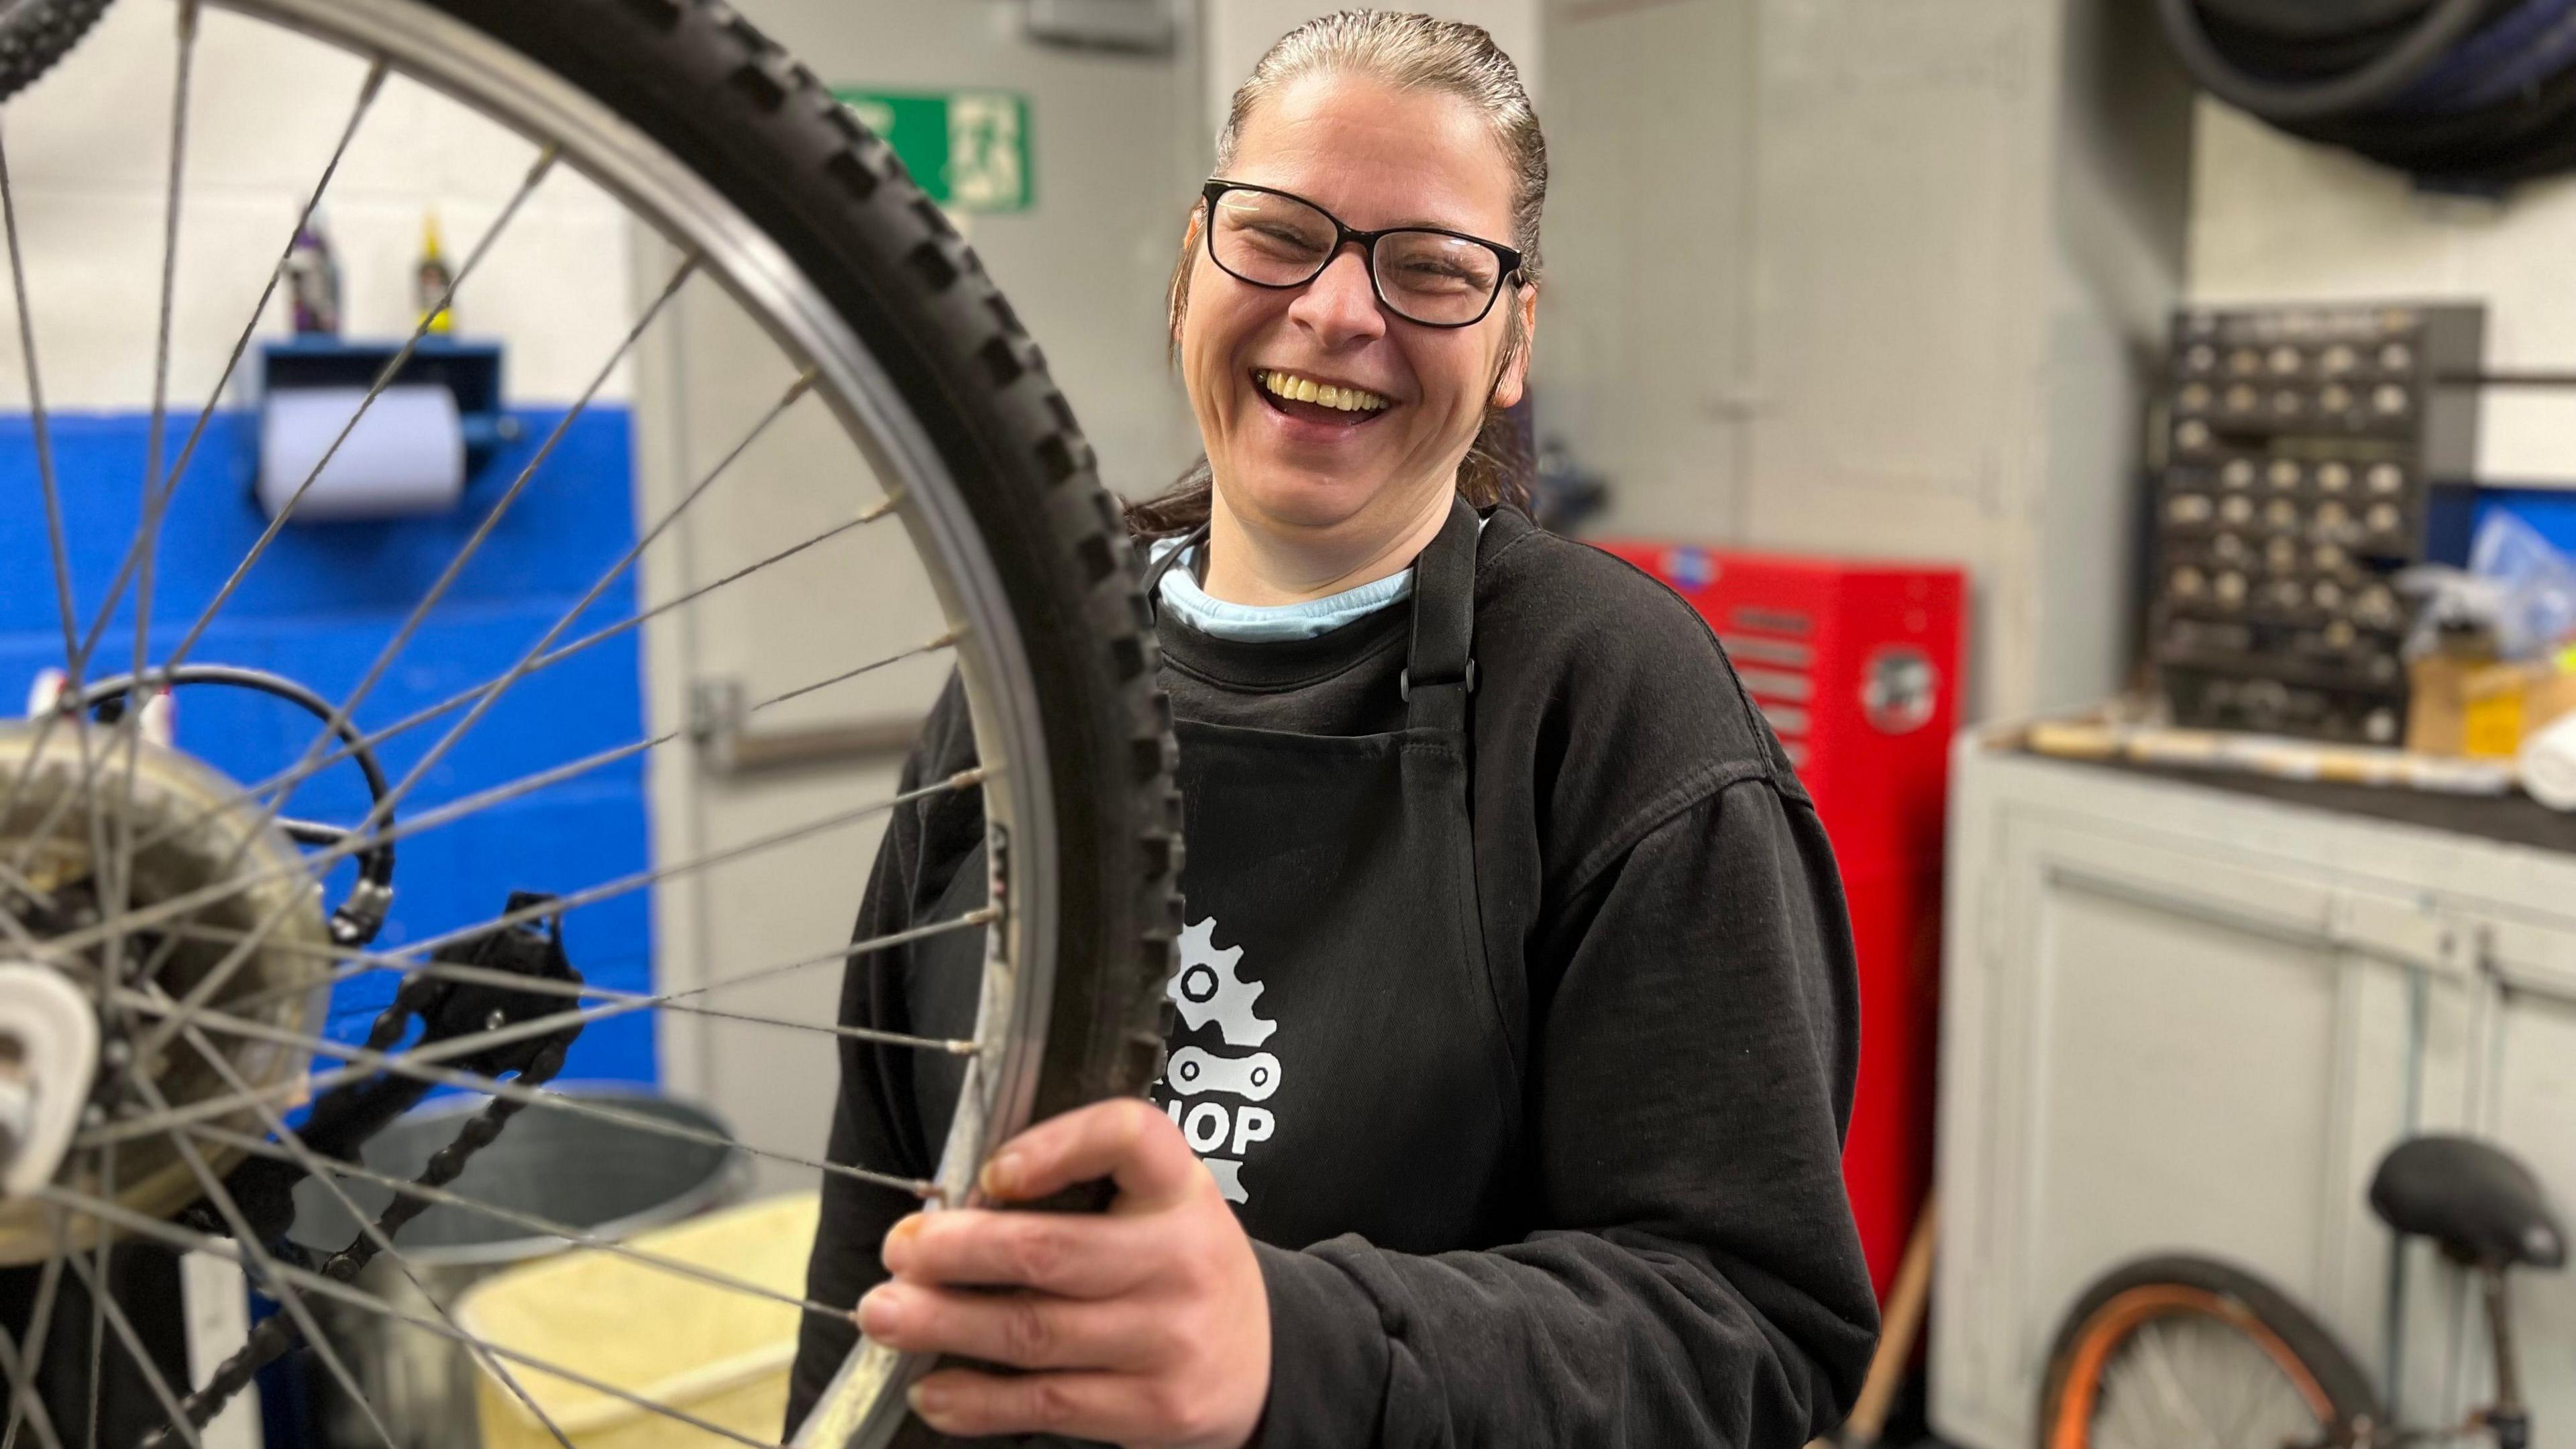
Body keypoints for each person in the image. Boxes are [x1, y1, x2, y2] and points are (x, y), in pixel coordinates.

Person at [788, 12, 1878, 1446]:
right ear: (1193, 269)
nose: (1338, 311)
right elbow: (876, 1224)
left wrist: (1294, 1348)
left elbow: (1749, 1332)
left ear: (1511, 343)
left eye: (1429, 269)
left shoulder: (1615, 704)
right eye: (1280, 234)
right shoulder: (1029, 678)